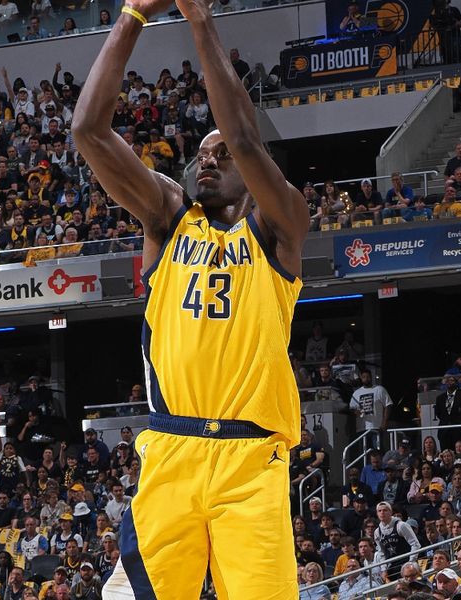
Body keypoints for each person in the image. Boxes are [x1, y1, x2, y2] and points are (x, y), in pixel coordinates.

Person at [71, 0, 308, 595]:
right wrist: (133, 14)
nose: (210, 160)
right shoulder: (167, 220)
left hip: (251, 462)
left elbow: (247, 141)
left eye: (220, 154)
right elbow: (88, 131)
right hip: (171, 451)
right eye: (202, 154)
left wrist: (198, 17)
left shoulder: (280, 227)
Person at [349, 369, 392, 451]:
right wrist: (355, 412)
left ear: (371, 377)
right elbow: (351, 408)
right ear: (361, 378)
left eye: (368, 377)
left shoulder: (379, 389)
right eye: (364, 377)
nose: (366, 379)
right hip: (362, 428)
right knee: (364, 452)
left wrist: (385, 421)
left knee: (377, 451)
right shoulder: (356, 393)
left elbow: (388, 405)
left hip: (376, 426)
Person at [433, 376, 461, 451]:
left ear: (456, 383)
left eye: (452, 380)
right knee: (446, 454)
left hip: (459, 431)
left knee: (460, 454)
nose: (449, 382)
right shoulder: (440, 398)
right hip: (444, 433)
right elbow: (439, 413)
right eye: (447, 381)